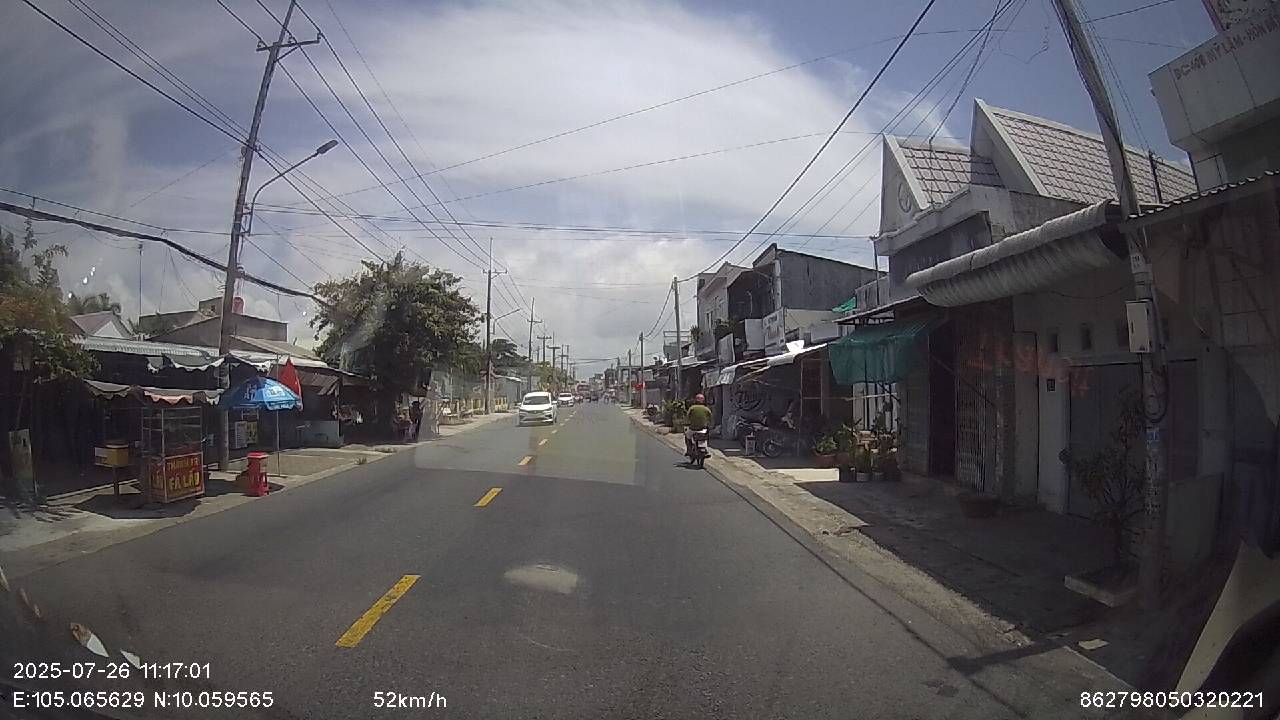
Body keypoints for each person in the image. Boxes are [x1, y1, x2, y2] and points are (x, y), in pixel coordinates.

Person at [684, 393, 713, 459]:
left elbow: (687, 417)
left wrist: (686, 423)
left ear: (695, 400)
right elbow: (711, 418)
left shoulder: (692, 408)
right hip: (703, 429)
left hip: (693, 429)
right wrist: (710, 425)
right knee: (704, 439)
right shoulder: (706, 409)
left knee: (687, 436)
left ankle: (689, 450)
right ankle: (706, 451)